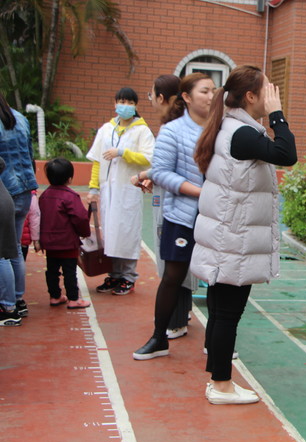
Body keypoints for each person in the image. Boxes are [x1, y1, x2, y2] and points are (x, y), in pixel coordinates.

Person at [190, 65, 297, 405]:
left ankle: (217, 379)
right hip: (234, 240)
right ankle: (221, 385)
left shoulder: (230, 127)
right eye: (268, 90)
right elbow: (287, 155)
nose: (272, 95)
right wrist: (277, 114)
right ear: (251, 96)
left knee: (220, 312)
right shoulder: (242, 134)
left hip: (227, 236)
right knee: (227, 315)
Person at [131, 72, 214, 360]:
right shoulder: (172, 131)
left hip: (215, 217)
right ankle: (159, 338)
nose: (211, 96)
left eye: (213, 90)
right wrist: (198, 192)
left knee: (218, 278)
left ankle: (217, 342)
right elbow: (162, 172)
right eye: (204, 91)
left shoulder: (221, 129)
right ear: (187, 97)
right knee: (172, 276)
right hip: (181, 216)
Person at [142, 74, 197, 340]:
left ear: (162, 97)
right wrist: (151, 175)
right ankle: (177, 318)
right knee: (177, 265)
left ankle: (175, 322)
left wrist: (150, 174)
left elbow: (172, 169)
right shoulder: (178, 125)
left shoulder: (177, 127)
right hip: (179, 201)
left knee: (175, 266)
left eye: (151, 94)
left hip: (180, 206)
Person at [86, 87, 154, 295]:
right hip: (109, 190)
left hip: (128, 190)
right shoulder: (107, 129)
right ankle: (114, 274)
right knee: (110, 233)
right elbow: (97, 160)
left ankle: (128, 276)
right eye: (121, 101)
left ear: (135, 105)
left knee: (127, 232)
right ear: (115, 103)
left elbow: (149, 158)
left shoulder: (142, 131)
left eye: (129, 102)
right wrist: (93, 187)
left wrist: (123, 153)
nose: (125, 106)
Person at [0, 92, 38, 321]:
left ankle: (7, 306)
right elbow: (30, 154)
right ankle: (18, 299)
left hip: (4, 191)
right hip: (24, 188)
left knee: (2, 253)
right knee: (14, 248)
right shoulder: (19, 118)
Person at [38, 157, 92, 309]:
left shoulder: (44, 196)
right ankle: (73, 299)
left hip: (49, 241)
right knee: (69, 271)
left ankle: (54, 296)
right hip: (67, 241)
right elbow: (80, 217)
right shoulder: (70, 196)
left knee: (52, 270)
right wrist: (84, 232)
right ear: (69, 178)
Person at [0, 157, 21, 326]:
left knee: (2, 257)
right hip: (5, 200)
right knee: (6, 254)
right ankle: (12, 303)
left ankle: (8, 308)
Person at [20, 189, 40, 260]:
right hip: (23, 238)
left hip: (7, 236)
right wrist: (36, 240)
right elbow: (35, 219)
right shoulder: (31, 196)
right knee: (19, 259)